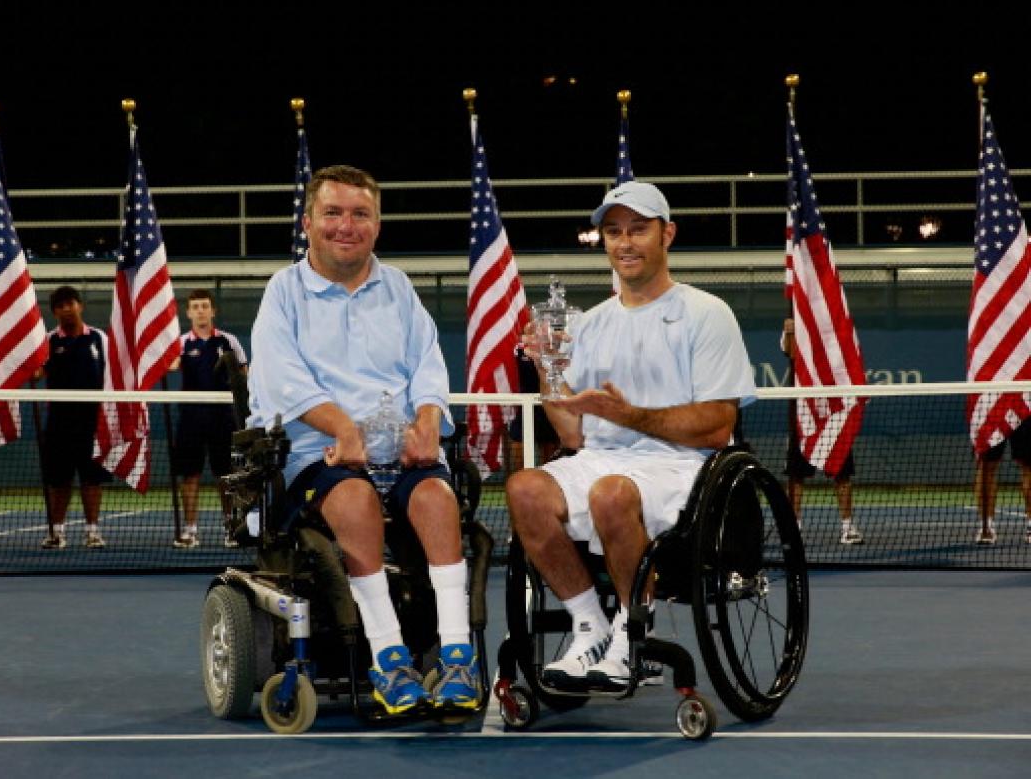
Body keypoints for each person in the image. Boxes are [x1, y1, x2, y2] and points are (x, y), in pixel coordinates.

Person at [505, 180, 756, 692]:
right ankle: (589, 626)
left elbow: (717, 424)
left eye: (638, 230)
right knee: (525, 488)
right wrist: (547, 370)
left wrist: (629, 414)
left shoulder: (707, 314)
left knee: (611, 492)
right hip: (603, 459)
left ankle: (629, 631)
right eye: (614, 231)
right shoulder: (590, 324)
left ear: (668, 235)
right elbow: (574, 434)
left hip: (685, 465)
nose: (624, 242)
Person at [247, 164, 478, 716]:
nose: (345, 225)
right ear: (309, 222)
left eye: (360, 214)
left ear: (377, 223)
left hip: (402, 453)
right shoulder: (283, 293)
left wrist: (426, 423)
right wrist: (344, 429)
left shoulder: (397, 287)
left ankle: (457, 654)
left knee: (437, 499)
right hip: (316, 455)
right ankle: (389, 657)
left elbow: (427, 367)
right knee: (354, 498)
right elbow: (284, 383)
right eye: (333, 212)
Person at [169, 288, 249, 549]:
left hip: (222, 417)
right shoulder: (181, 343)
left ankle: (230, 527)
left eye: (205, 306)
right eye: (196, 306)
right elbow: (167, 367)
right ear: (189, 312)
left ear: (213, 310)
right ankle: (190, 531)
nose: (201, 310)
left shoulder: (229, 341)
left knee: (225, 476)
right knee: (189, 476)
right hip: (191, 417)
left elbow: (243, 375)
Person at [36, 285, 110, 549]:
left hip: (93, 421)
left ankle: (92, 531)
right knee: (59, 481)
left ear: (81, 306)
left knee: (91, 480)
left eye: (71, 303)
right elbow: (35, 374)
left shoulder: (100, 338)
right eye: (61, 306)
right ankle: (57, 532)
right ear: (55, 312)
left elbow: (112, 375)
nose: (67, 309)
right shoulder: (47, 341)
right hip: (59, 422)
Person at [780, 317, 862, 545]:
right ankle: (794, 526)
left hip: (834, 412)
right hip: (804, 413)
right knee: (796, 476)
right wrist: (789, 332)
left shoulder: (836, 329)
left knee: (842, 474)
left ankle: (848, 527)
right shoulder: (797, 321)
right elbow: (792, 354)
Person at [973, 420, 1031, 545]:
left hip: (1025, 406)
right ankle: (986, 526)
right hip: (992, 407)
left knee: (1029, 465)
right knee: (986, 465)